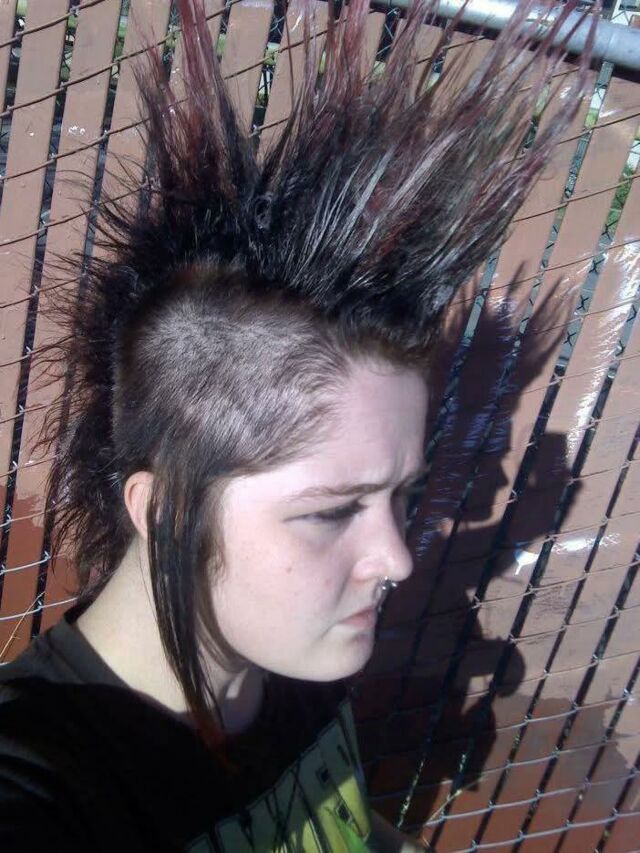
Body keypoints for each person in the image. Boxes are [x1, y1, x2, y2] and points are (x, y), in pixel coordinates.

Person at [0, 0, 597, 849]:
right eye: (330, 510)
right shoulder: (49, 782)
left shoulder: (293, 655)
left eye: (402, 494)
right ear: (164, 508)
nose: (397, 558)